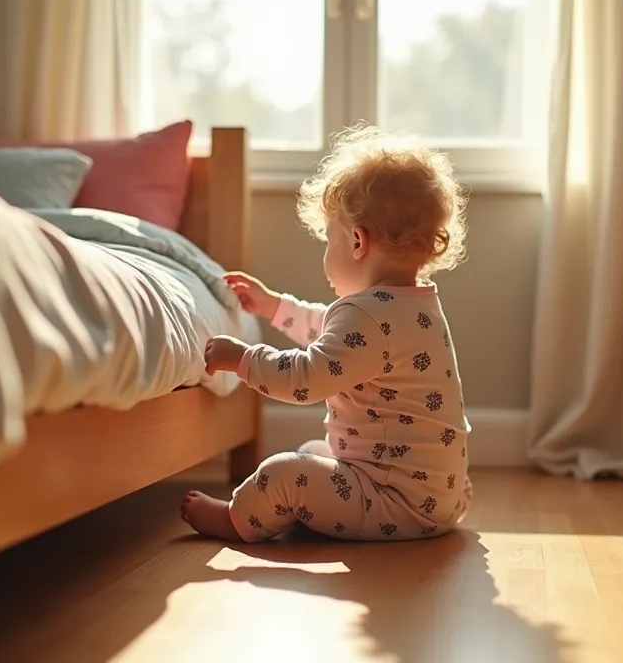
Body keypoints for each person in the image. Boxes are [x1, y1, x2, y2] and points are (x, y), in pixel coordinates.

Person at [182, 124, 473, 542]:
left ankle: (236, 518)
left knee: (286, 471)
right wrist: (275, 307)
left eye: (327, 239)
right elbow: (332, 333)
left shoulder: (368, 317)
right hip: (432, 497)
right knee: (314, 453)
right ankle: (312, 511)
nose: (326, 251)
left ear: (357, 241)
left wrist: (243, 360)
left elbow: (306, 378)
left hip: (393, 501)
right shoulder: (414, 306)